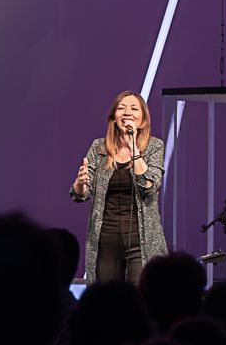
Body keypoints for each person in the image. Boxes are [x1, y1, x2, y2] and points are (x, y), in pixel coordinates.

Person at [70, 90, 167, 283]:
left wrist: (134, 149)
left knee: (140, 293)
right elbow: (81, 194)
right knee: (105, 296)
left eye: (134, 108)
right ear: (114, 117)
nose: (127, 112)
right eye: (121, 108)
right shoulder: (99, 147)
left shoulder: (154, 147)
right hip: (106, 239)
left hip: (141, 241)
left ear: (143, 121)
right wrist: (80, 183)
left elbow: (149, 187)